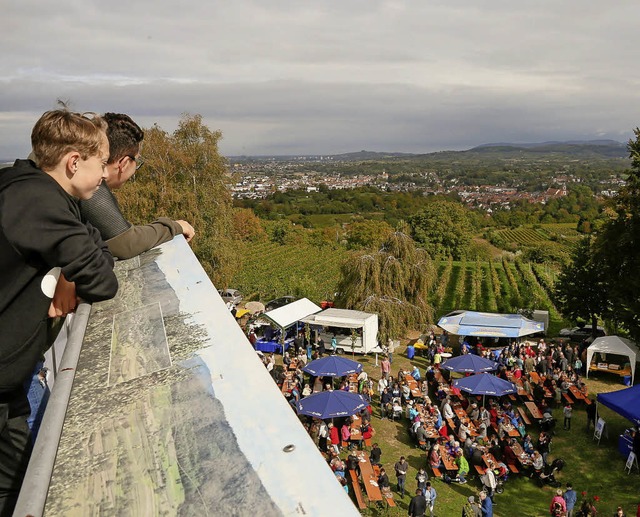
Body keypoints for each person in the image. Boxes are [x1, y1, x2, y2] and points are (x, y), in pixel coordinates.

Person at [0, 109, 119, 515]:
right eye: (100, 163)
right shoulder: (37, 201)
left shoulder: (30, 192)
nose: (104, 175)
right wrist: (78, 270)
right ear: (73, 161)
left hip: (9, 386)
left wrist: (71, 273)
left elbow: (97, 249)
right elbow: (103, 281)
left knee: (16, 483)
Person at [78, 113, 194, 259]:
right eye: (137, 162)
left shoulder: (74, 175)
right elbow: (126, 243)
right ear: (124, 163)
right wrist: (174, 227)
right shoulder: (87, 184)